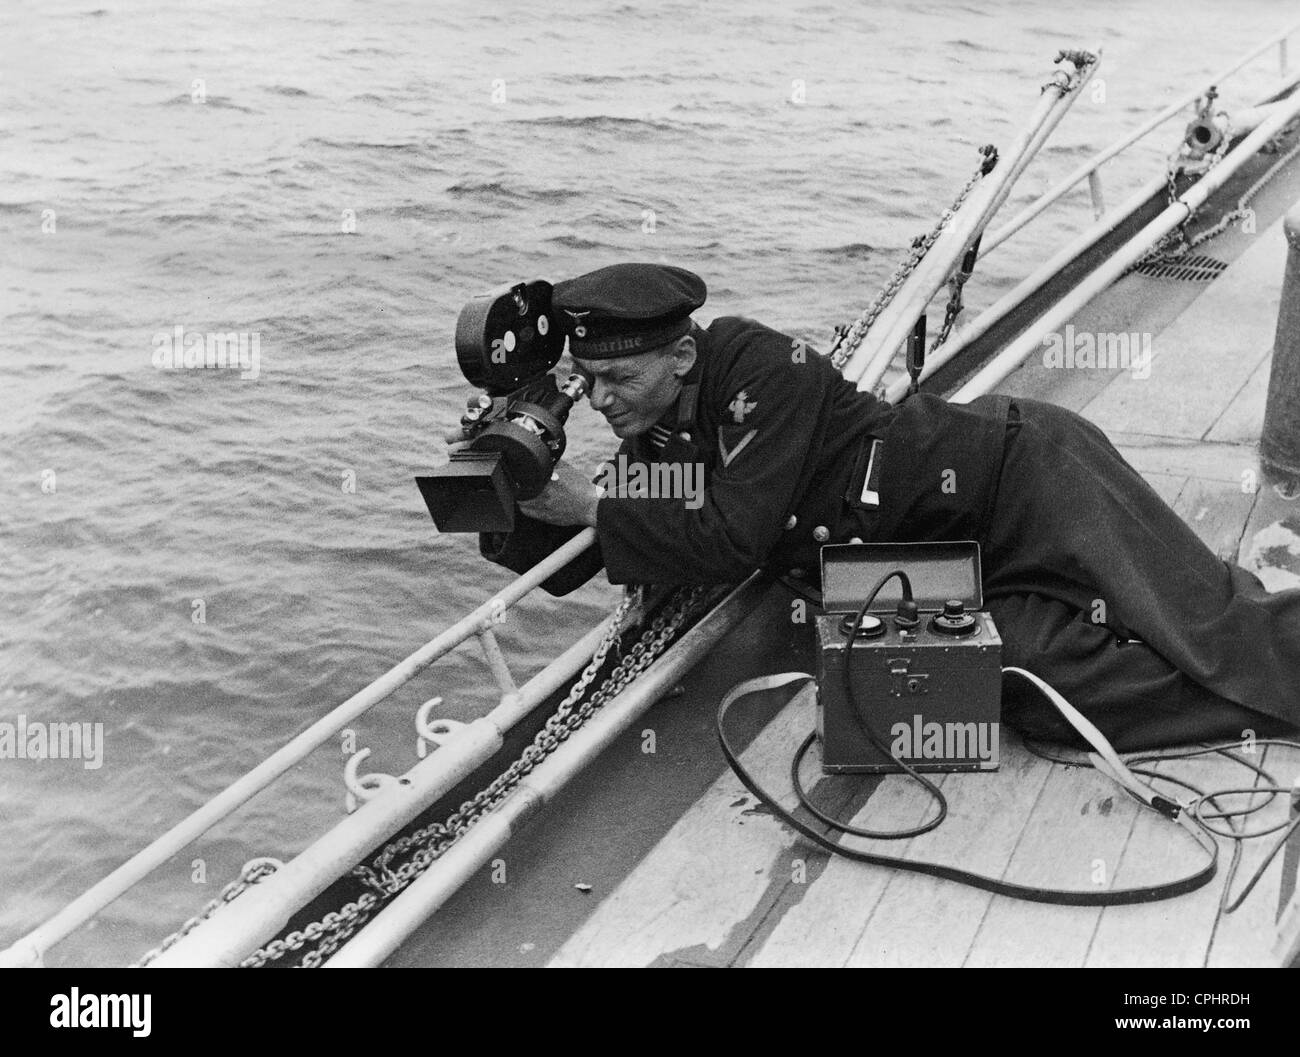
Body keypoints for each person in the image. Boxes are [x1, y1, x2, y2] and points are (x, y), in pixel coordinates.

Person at [473, 262, 1300, 751]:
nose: (606, 400)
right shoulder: (655, 441)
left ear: (683, 353)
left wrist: (592, 505)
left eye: (621, 379)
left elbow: (732, 534)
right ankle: (1246, 712)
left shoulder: (759, 367)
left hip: (1029, 479)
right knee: (1038, 688)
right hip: (936, 571)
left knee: (1211, 624)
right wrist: (504, 489)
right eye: (593, 384)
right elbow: (586, 553)